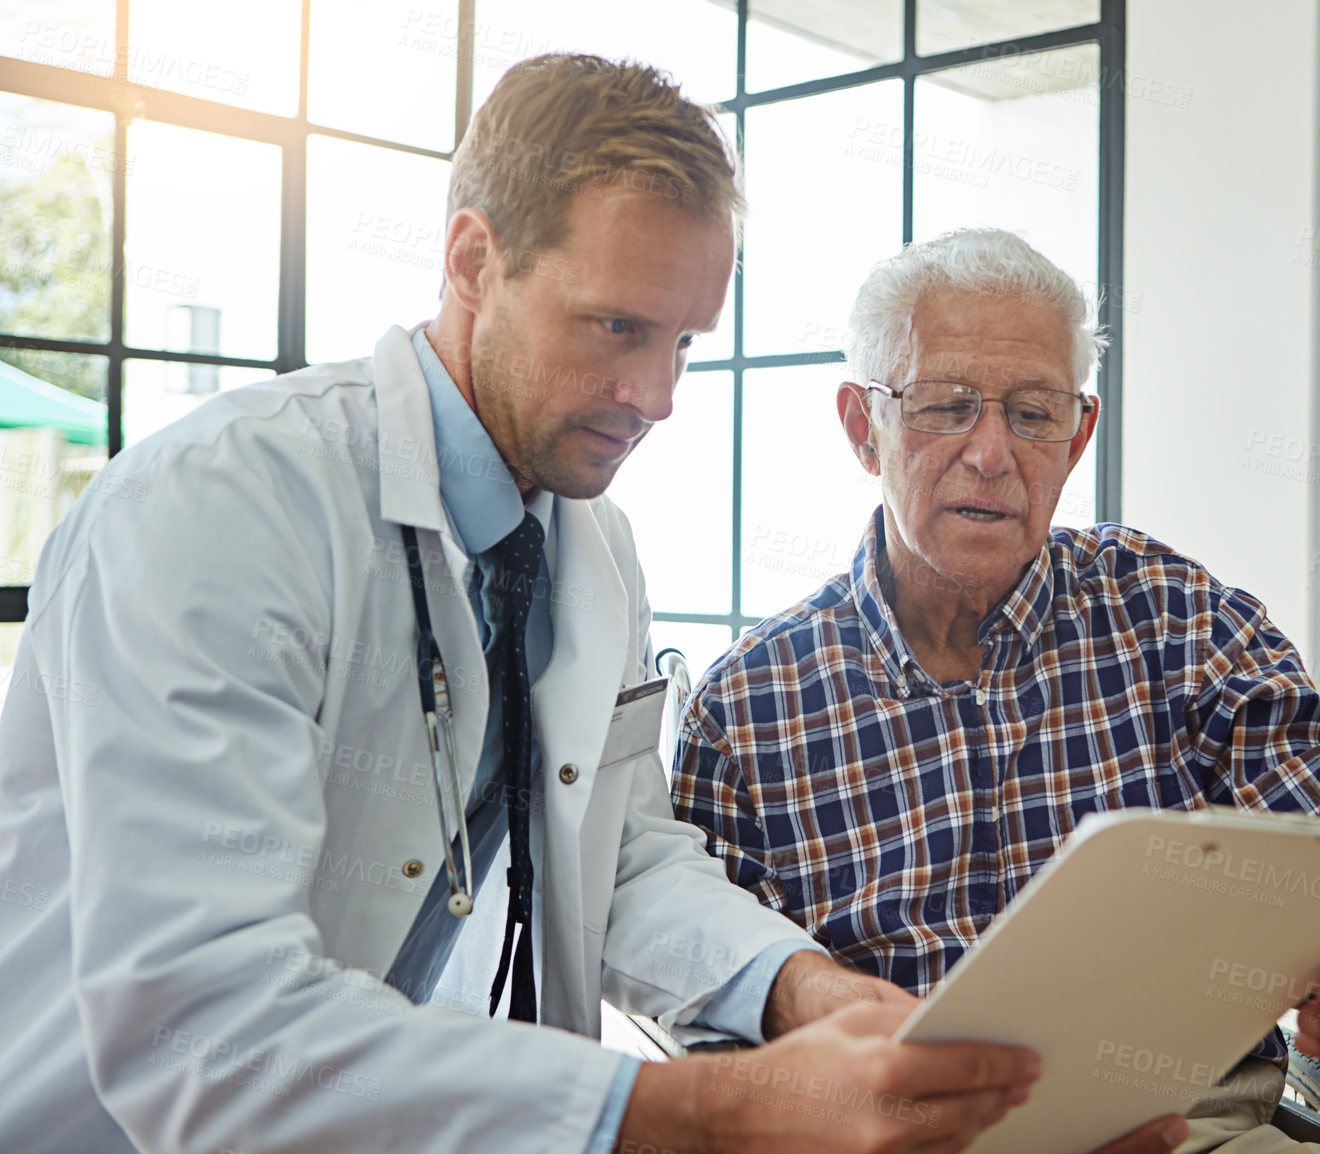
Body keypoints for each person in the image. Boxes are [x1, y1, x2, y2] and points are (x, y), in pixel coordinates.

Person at [0, 59, 1198, 1154]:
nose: (658, 394)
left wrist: (805, 988)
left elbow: (620, 858)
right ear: (472, 261)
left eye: (683, 338)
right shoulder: (225, 509)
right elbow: (205, 1028)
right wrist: (709, 1109)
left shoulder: (591, 545)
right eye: (616, 327)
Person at [673, 228, 1320, 1153]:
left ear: (1078, 434)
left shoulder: (1169, 614)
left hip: (1188, 1125)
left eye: (1032, 413)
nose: (991, 453)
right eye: (946, 407)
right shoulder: (749, 707)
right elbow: (718, 1019)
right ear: (866, 428)